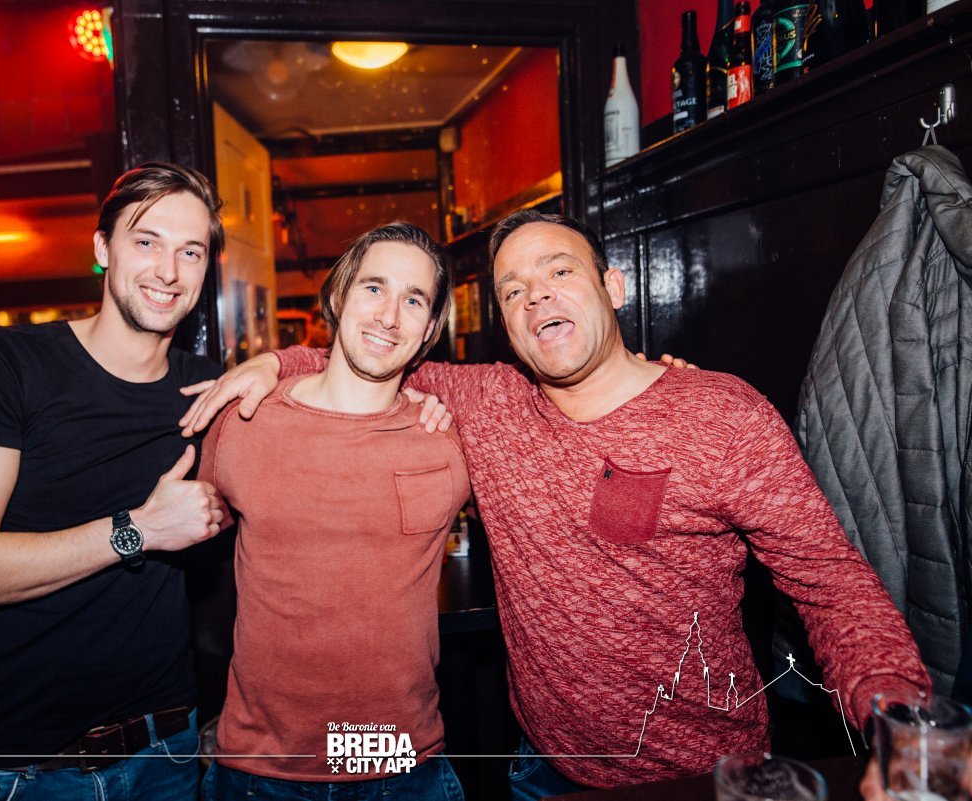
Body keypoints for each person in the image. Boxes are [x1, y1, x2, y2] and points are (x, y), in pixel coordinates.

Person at [181, 208, 933, 798]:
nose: (535, 293)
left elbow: (829, 580)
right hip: (541, 770)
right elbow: (372, 352)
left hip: (704, 775)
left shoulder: (722, 415)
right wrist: (273, 362)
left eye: (559, 271)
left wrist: (901, 719)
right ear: (507, 325)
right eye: (513, 290)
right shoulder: (490, 403)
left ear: (615, 288)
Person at [0, 163, 227, 801]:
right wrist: (139, 530)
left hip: (167, 749)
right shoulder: (5, 364)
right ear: (102, 248)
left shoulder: (207, 384)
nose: (168, 271)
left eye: (190, 251)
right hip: (27, 768)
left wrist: (276, 365)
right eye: (146, 241)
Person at [197, 222, 470, 800]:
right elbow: (186, 557)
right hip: (261, 770)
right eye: (373, 288)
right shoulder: (245, 421)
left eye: (413, 300)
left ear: (429, 329)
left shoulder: (447, 439)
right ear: (340, 296)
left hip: (400, 765)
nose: (389, 316)